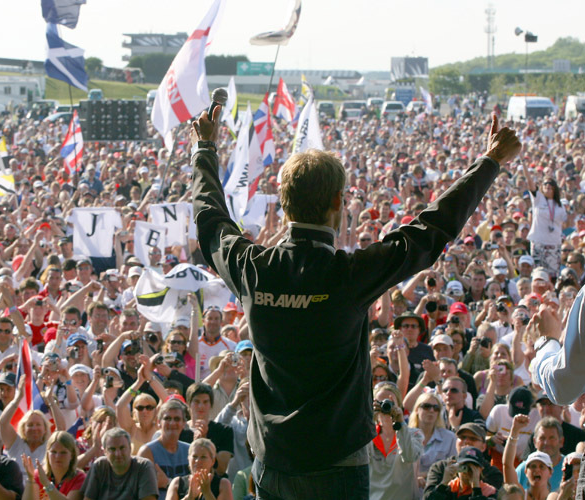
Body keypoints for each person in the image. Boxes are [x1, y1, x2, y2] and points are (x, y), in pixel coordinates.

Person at [191, 104, 520, 498]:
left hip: (274, 462)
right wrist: (490, 161)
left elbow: (210, 222)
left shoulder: (253, 268)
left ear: (284, 200)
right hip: (338, 466)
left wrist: (204, 149)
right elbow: (432, 228)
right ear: (338, 201)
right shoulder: (350, 275)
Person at [369, 381, 424, 500]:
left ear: (399, 405)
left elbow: (409, 456)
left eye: (390, 403)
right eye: (380, 403)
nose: (385, 407)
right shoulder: (367, 437)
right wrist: (369, 418)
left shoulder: (414, 434)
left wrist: (400, 424)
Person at [82, 427, 159, 500]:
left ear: (130, 448)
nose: (118, 454)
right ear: (105, 451)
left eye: (122, 448)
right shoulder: (99, 466)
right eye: (112, 449)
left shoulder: (144, 466)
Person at [137, 399, 191, 500]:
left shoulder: (190, 451)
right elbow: (144, 491)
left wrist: (167, 482)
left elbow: (195, 487)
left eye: (177, 419)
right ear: (158, 423)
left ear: (184, 423)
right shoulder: (147, 452)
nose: (172, 423)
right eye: (167, 418)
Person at [503, 415, 557, 500]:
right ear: (525, 472)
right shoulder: (520, 496)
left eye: (542, 466)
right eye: (533, 466)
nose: (537, 470)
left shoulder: (556, 497)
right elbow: (507, 465)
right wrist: (515, 431)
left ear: (550, 472)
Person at [20, 431, 86, 500]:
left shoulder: (80, 478)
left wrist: (46, 484)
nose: (57, 456)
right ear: (47, 454)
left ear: (72, 455)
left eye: (63, 452)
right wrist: (31, 478)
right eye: (53, 452)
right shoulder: (39, 474)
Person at [166, 438, 233, 500]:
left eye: (203, 457)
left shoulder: (223, 484)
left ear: (213, 461)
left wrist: (207, 493)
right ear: (188, 459)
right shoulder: (177, 483)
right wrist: (189, 497)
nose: (198, 461)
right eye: (194, 456)